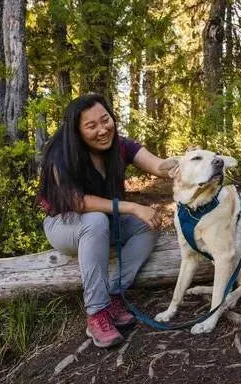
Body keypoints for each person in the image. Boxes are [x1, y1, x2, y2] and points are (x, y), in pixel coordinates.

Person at [38, 93, 166, 348]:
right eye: (91, 126)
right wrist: (131, 207)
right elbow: (77, 202)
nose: (102, 129)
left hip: (105, 223)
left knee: (148, 223)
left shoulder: (120, 146)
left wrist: (194, 164)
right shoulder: (60, 154)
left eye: (105, 120)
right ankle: (96, 312)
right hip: (64, 225)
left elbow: (159, 166)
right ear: (77, 131)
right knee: (95, 220)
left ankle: (114, 292)